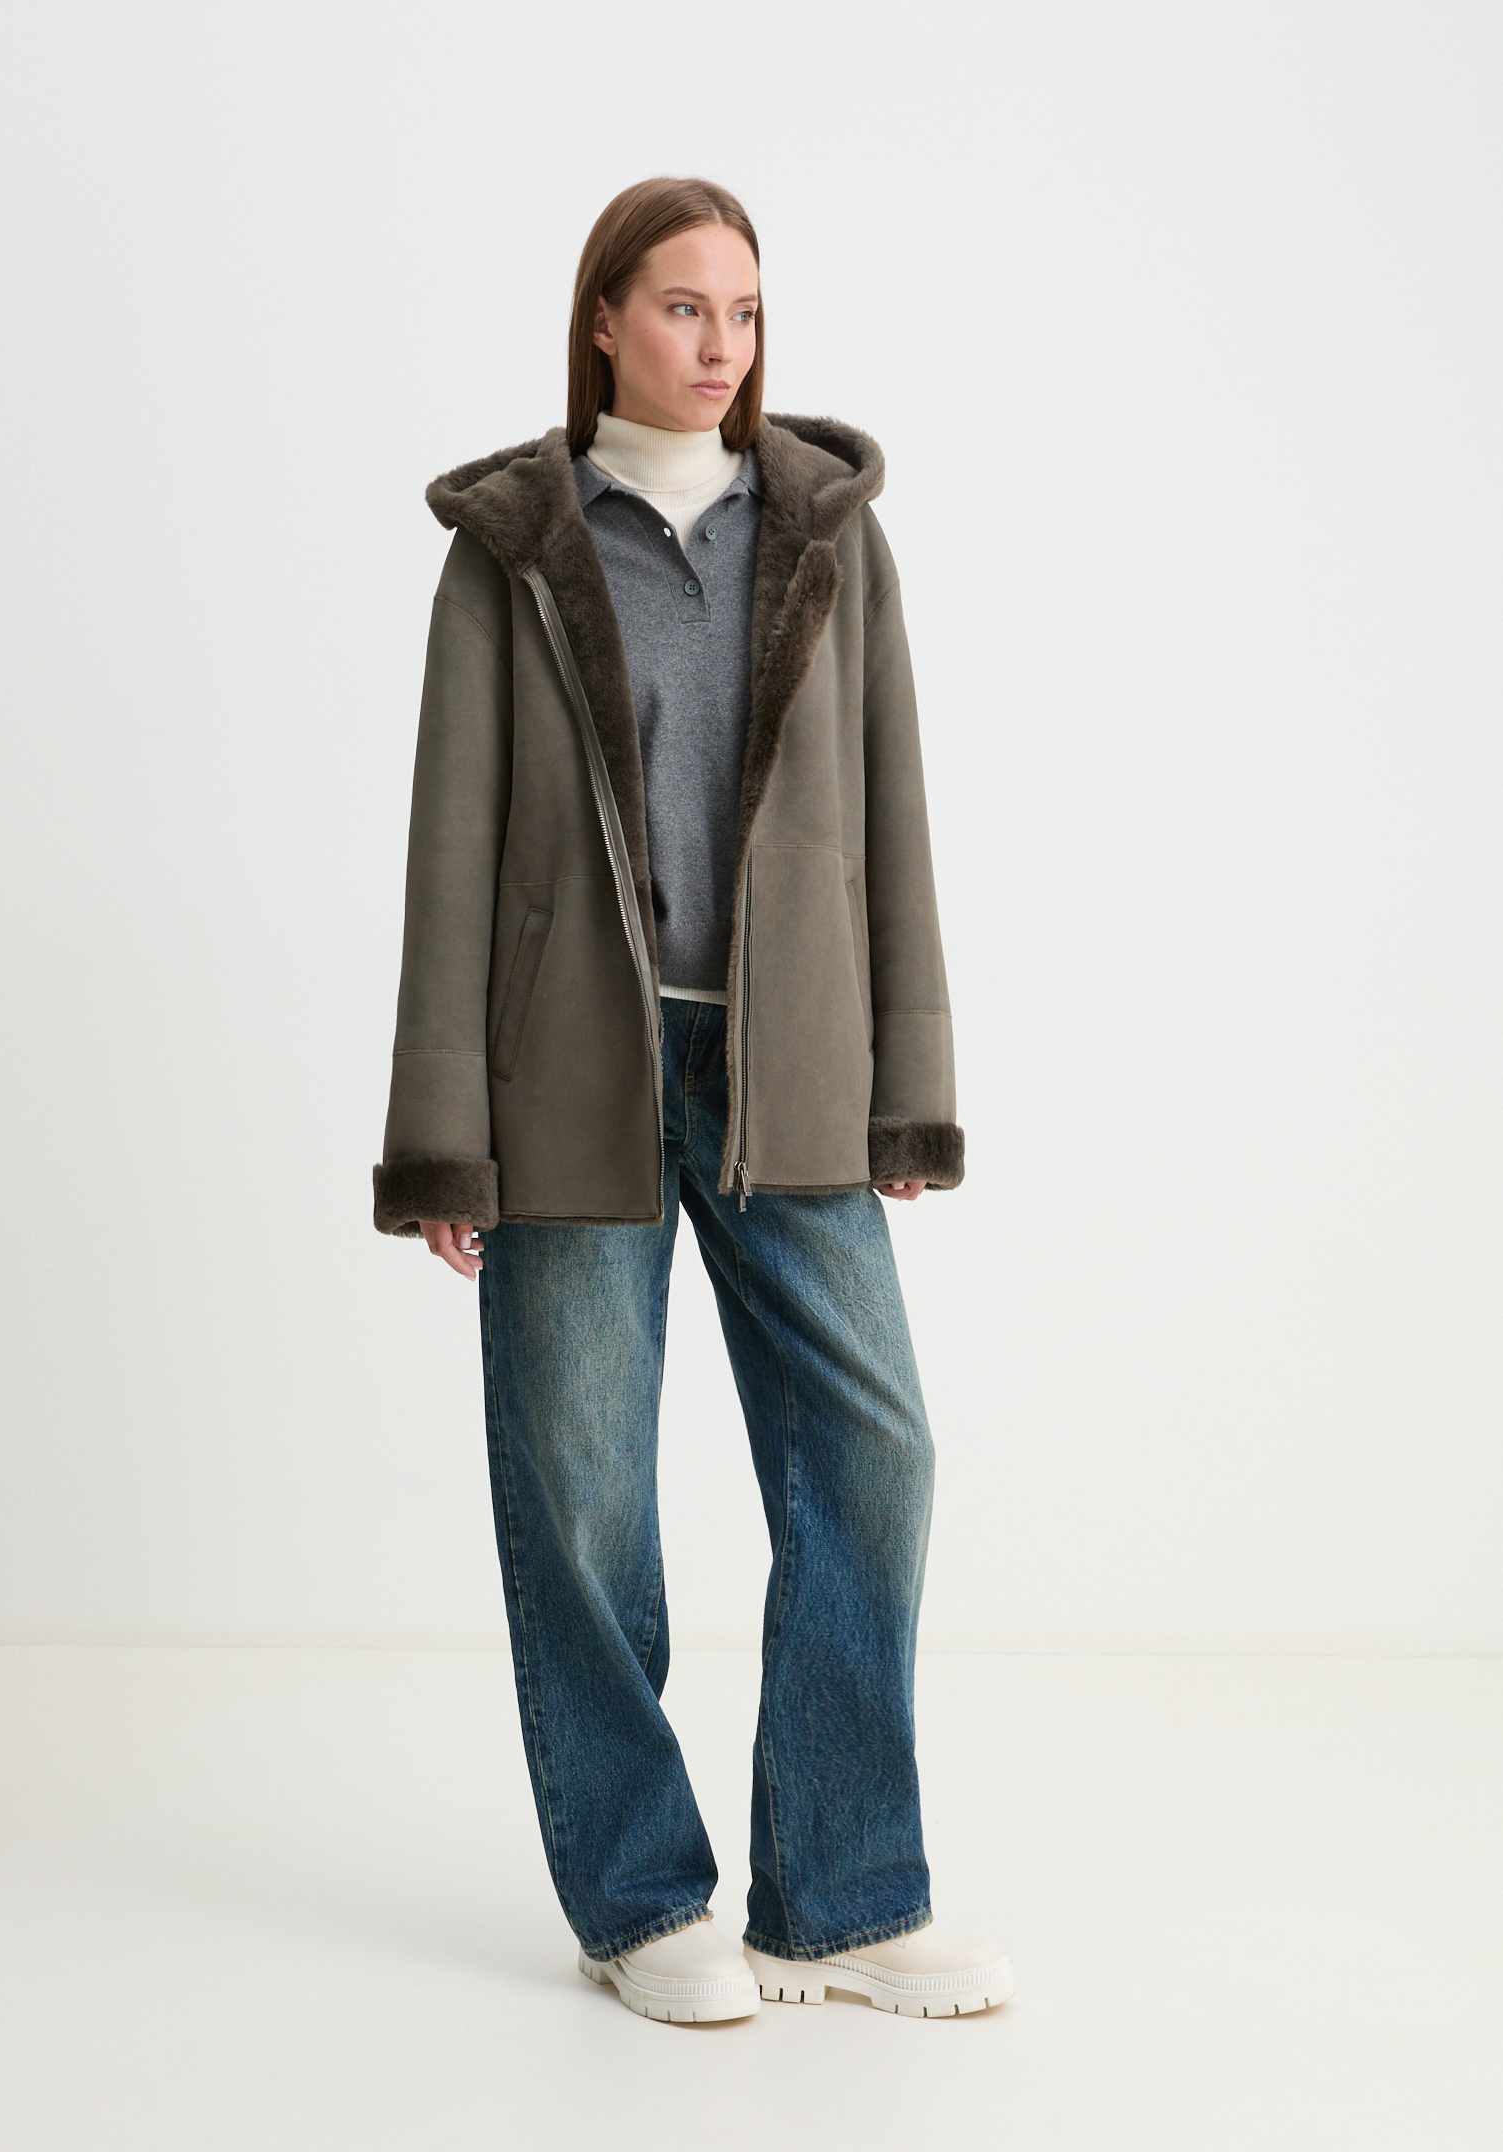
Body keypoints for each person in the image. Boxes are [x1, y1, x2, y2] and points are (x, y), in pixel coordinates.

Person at [373, 176, 1012, 2025]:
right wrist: (443, 1136)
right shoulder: (513, 547)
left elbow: (889, 817)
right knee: (583, 1498)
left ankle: (840, 1897)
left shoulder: (825, 535)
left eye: (742, 309)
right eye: (680, 307)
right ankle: (640, 1899)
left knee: (874, 1453)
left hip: (785, 1068)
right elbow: (450, 853)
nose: (719, 343)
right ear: (603, 319)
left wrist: (905, 1087)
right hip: (571, 1072)